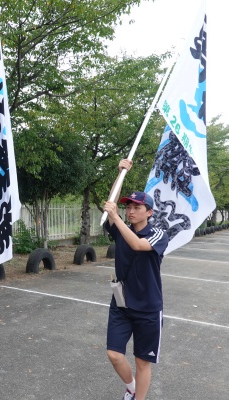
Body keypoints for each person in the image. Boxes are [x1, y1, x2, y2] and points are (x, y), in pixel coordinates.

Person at [102, 159, 169, 400]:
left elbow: (138, 245)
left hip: (148, 307)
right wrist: (120, 173)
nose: (130, 211)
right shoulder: (121, 228)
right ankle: (131, 387)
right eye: (128, 207)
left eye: (137, 207)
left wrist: (118, 218)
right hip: (121, 303)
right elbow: (111, 204)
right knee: (114, 354)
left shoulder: (158, 233)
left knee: (142, 361)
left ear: (149, 212)